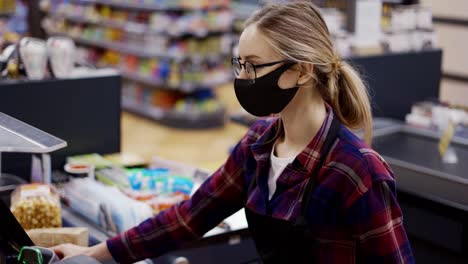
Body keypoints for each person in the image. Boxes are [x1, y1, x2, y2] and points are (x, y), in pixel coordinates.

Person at [52, 2, 414, 263]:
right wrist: (95, 255)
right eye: (239, 64)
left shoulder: (357, 171)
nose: (242, 79)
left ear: (302, 70)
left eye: (254, 66)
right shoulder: (258, 145)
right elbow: (189, 217)